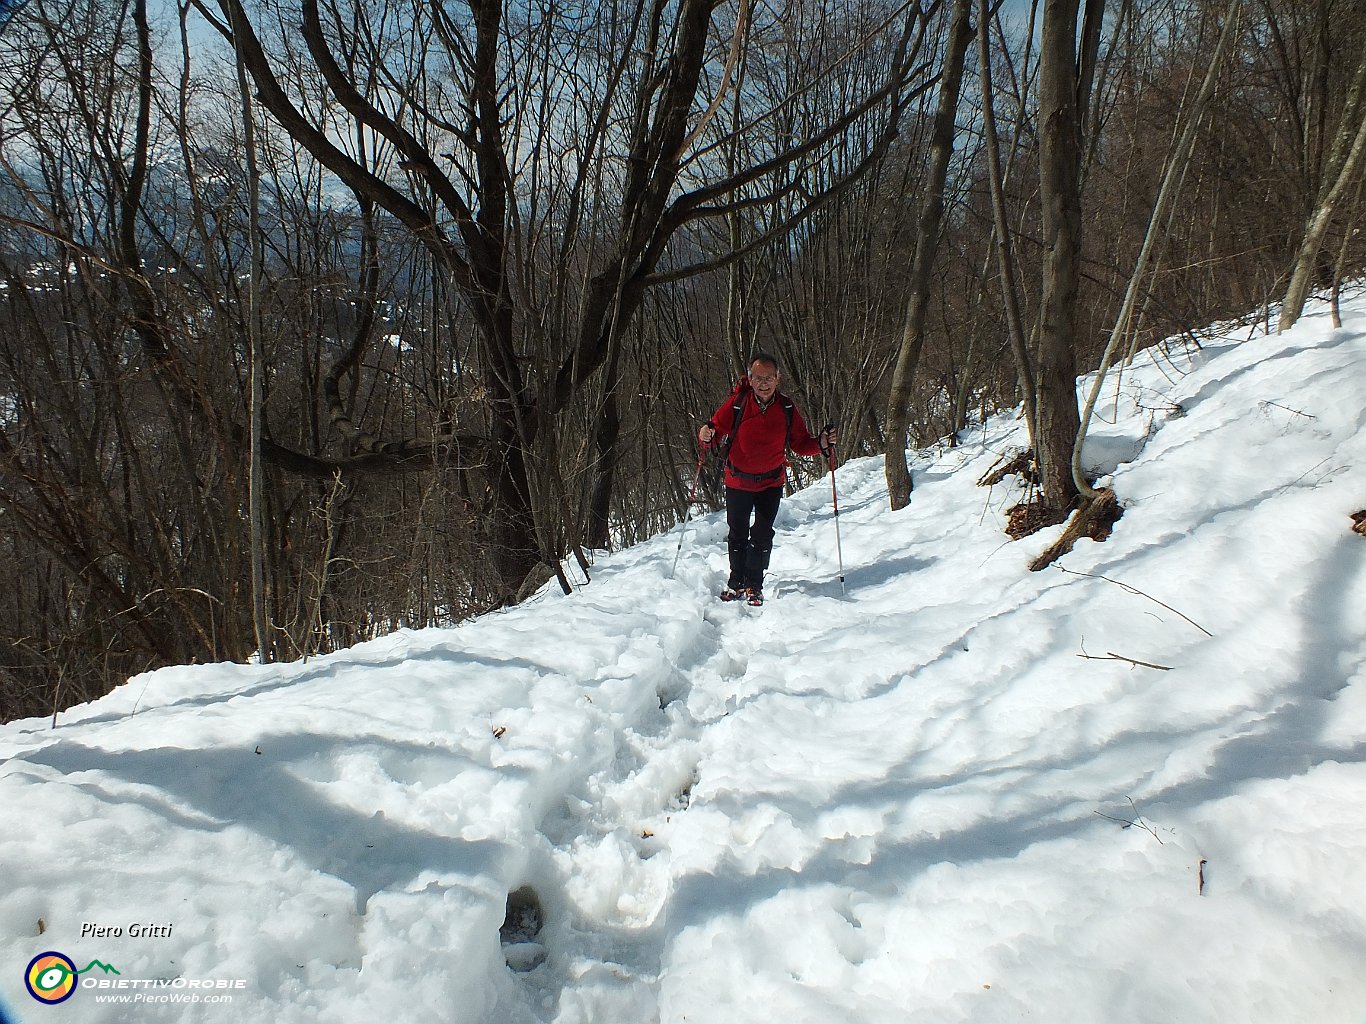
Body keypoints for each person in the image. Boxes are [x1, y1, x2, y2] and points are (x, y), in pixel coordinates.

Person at [698, 354, 837, 605]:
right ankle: (736, 582)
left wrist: (821, 444)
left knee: (762, 534)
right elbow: (714, 430)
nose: (764, 383)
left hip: (770, 482)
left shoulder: (786, 407)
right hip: (738, 480)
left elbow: (800, 443)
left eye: (769, 378)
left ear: (778, 379)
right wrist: (706, 434)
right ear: (750, 380)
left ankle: (754, 585)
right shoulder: (738, 403)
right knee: (737, 533)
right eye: (759, 378)